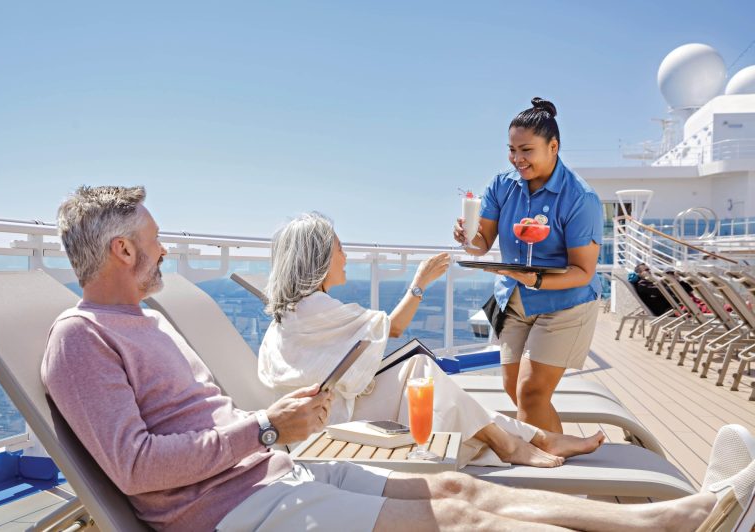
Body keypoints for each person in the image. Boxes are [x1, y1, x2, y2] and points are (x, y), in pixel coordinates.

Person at [42, 185, 734, 532]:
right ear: (122, 251)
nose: (164, 251)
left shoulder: (145, 322)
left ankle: (664, 519)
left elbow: (195, 424)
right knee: (459, 520)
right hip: (235, 507)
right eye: (154, 241)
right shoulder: (81, 339)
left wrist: (272, 436)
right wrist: (263, 431)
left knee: (461, 489)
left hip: (269, 470)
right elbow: (135, 467)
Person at [258, 212, 603, 469]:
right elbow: (391, 328)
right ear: (318, 258)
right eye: (340, 249)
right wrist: (420, 282)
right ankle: (521, 441)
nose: (346, 257)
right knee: (420, 371)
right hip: (329, 425)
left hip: (322, 414)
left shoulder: (293, 312)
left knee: (419, 371)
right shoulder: (315, 309)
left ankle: (533, 437)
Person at [454, 98, 603, 434]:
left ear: (553, 146)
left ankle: (549, 466)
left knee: (531, 393)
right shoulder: (502, 185)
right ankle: (557, 449)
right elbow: (481, 245)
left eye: (526, 150)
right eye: (511, 150)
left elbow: (583, 271)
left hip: (565, 303)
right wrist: (468, 236)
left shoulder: (580, 198)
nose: (517, 159)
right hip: (513, 300)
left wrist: (534, 280)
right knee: (514, 390)